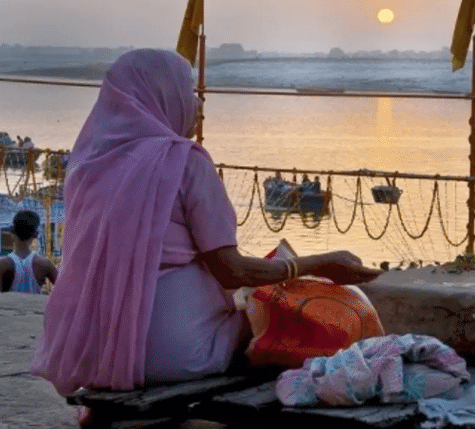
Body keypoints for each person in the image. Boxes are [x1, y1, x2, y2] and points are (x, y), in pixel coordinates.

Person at [32, 49, 382, 402]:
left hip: (100, 352)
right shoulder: (183, 161)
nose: (200, 106)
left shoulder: (87, 168)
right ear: (164, 97)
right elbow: (231, 272)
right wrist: (321, 264)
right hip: (181, 352)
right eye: (191, 92)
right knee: (303, 319)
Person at [0, 211, 58, 293]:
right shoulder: (45, 265)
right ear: (36, 234)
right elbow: (65, 290)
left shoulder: (3, 265)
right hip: (36, 306)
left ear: (12, 230)